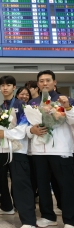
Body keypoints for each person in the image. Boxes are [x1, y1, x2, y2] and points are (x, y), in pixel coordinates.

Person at [26, 70, 74, 228]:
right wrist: (31, 130)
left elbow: (72, 122)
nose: (44, 83)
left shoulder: (65, 101)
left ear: (55, 82)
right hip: (39, 150)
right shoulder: (33, 103)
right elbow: (26, 126)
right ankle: (48, 216)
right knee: (43, 184)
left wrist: (67, 107)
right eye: (41, 81)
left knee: (66, 186)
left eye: (47, 80)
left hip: (61, 149)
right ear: (38, 84)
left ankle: (70, 219)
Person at [0, 76, 37, 228]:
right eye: (2, 85)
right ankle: (7, 207)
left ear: (14, 87)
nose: (5, 88)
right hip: (0, 149)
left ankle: (28, 221)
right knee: (0, 182)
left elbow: (23, 129)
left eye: (8, 85)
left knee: (20, 184)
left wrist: (5, 134)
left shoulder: (22, 106)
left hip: (17, 150)